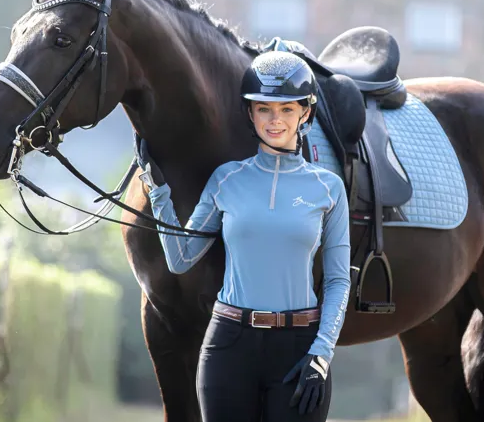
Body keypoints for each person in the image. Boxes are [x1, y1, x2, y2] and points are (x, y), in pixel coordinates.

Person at [135, 45, 351, 422]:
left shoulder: (329, 188)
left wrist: (321, 353)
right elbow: (181, 259)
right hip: (228, 345)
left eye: (287, 109)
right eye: (264, 108)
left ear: (305, 113)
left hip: (299, 348)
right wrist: (158, 192)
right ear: (249, 113)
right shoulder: (226, 180)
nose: (275, 120)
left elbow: (337, 280)